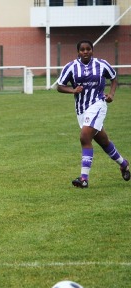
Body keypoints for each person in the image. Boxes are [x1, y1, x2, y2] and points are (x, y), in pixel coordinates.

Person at [57, 40, 130, 188]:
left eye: (88, 49)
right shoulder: (71, 67)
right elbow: (60, 86)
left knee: (85, 137)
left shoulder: (102, 64)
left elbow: (114, 77)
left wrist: (111, 94)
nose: (85, 52)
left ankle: (83, 179)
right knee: (103, 142)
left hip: (98, 104)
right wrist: (73, 90)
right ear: (78, 52)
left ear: (92, 50)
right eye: (82, 50)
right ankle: (124, 164)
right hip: (81, 110)